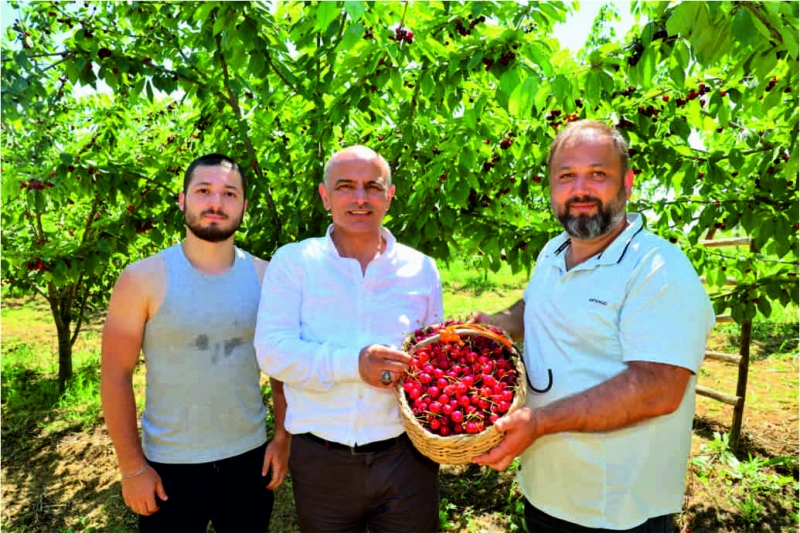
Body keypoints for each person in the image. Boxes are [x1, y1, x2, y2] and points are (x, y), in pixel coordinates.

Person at [472, 120, 716, 532]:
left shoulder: (658, 269)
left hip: (617, 507)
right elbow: (531, 306)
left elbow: (659, 387)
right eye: (566, 176)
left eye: (597, 174)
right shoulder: (553, 251)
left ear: (627, 182)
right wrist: (497, 323)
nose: (580, 189)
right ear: (550, 187)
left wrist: (540, 422)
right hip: (545, 488)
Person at [254, 145, 443, 532]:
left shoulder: (420, 269)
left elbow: (432, 360)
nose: (360, 198)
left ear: (389, 197)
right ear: (325, 196)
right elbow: (272, 352)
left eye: (372, 187)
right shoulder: (294, 263)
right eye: (345, 186)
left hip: (406, 458)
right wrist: (354, 364)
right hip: (322, 462)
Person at [100, 154, 289, 533]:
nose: (216, 203)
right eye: (203, 191)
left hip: (248, 460)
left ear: (244, 206)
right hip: (169, 467)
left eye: (229, 194)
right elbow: (115, 375)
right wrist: (132, 467)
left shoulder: (269, 277)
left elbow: (283, 367)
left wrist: (282, 438)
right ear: (183, 199)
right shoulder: (142, 279)